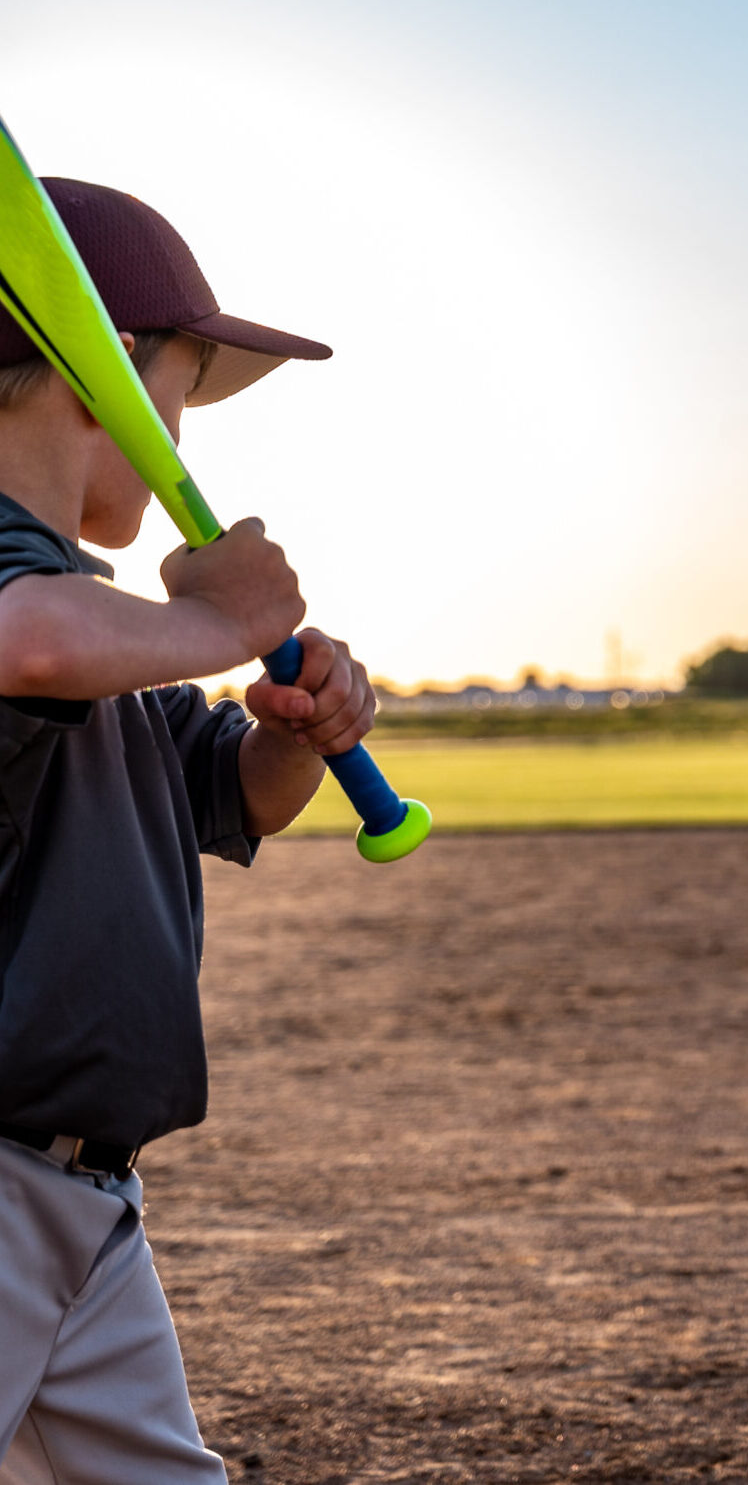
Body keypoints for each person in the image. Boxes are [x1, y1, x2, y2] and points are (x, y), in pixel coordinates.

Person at [0, 178, 378, 1480]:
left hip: (90, 1200)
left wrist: (295, 724)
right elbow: (23, 639)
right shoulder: (40, 604)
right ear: (88, 367)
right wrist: (213, 625)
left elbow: (239, 796)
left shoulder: (104, 629)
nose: (181, 434)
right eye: (180, 382)